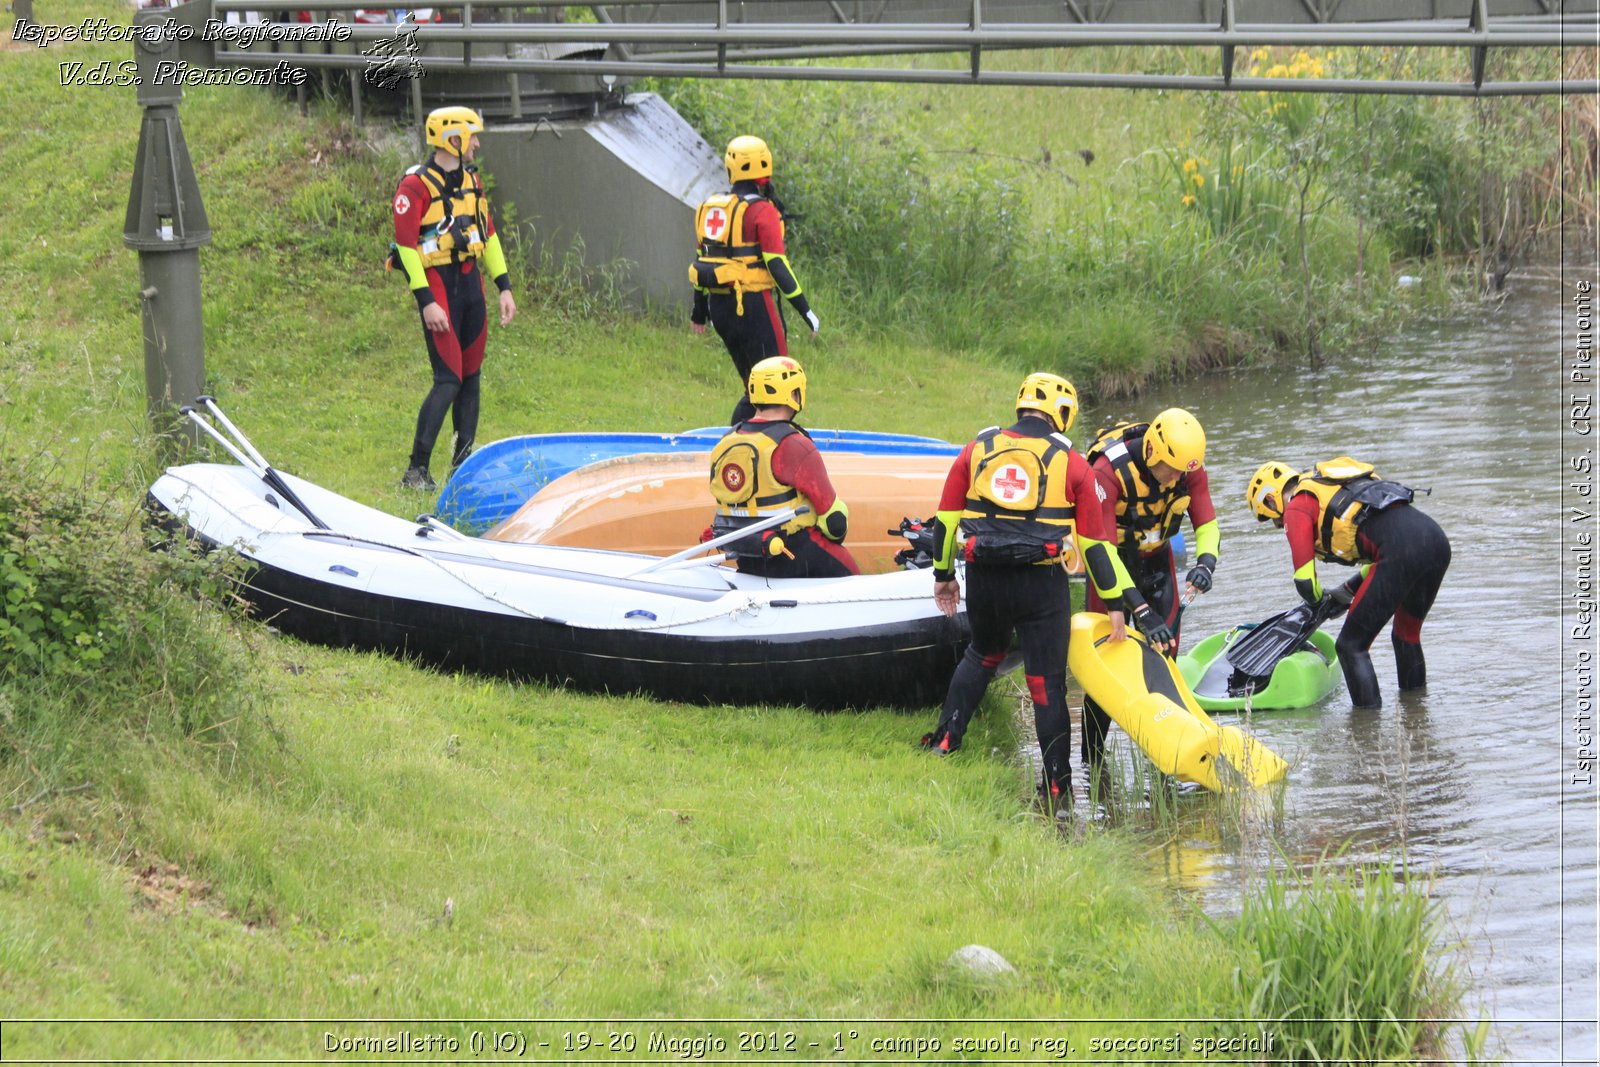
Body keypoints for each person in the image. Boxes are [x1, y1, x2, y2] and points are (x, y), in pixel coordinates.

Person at [918, 373, 1158, 811]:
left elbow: (946, 520)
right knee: (1045, 683)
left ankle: (946, 741)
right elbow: (1094, 545)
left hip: (985, 575)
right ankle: (1056, 786)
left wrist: (942, 575)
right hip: (1040, 583)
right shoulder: (1073, 464)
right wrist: (1116, 604)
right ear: (1063, 414)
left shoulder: (977, 449)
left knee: (982, 654)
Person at [1246, 457, 1450, 708]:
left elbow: (1305, 582)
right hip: (1436, 542)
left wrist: (1318, 603)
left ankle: (1366, 733)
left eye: (1273, 519)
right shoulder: (1330, 486)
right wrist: (1345, 592)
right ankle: (1417, 715)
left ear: (1270, 499)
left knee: (1350, 646)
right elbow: (1381, 550)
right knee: (1405, 635)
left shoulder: (1297, 507)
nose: (1279, 525)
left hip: (1401, 552)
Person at [1080, 408, 1218, 776]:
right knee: (1106, 666)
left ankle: (1167, 760)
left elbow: (1207, 522)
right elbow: (1102, 551)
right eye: (1170, 470)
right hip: (1112, 569)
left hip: (1157, 563)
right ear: (1154, 452)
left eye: (1183, 472)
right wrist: (1140, 610)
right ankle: (1093, 762)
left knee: (1165, 657)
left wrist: (1206, 562)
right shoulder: (1107, 474)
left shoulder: (1188, 468)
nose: (1176, 478)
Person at [390, 105, 517, 490]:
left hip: (470, 286)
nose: (477, 143)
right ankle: (416, 471)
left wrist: (504, 286)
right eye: (472, 136)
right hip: (439, 287)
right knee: (448, 379)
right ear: (452, 139)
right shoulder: (414, 186)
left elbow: (488, 233)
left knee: (471, 377)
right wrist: (426, 300)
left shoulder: (471, 180)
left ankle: (462, 469)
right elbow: (406, 247)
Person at [689, 135, 819, 425]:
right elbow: (777, 265)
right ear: (765, 167)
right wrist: (805, 310)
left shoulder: (712, 208)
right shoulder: (762, 211)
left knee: (754, 387)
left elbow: (701, 261)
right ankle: (754, 445)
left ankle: (742, 442)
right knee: (777, 385)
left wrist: (699, 311)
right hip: (753, 307)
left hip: (720, 310)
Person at [707, 356, 859, 579]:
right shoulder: (793, 444)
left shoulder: (725, 441)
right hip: (793, 551)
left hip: (747, 554)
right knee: (851, 572)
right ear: (794, 394)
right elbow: (834, 520)